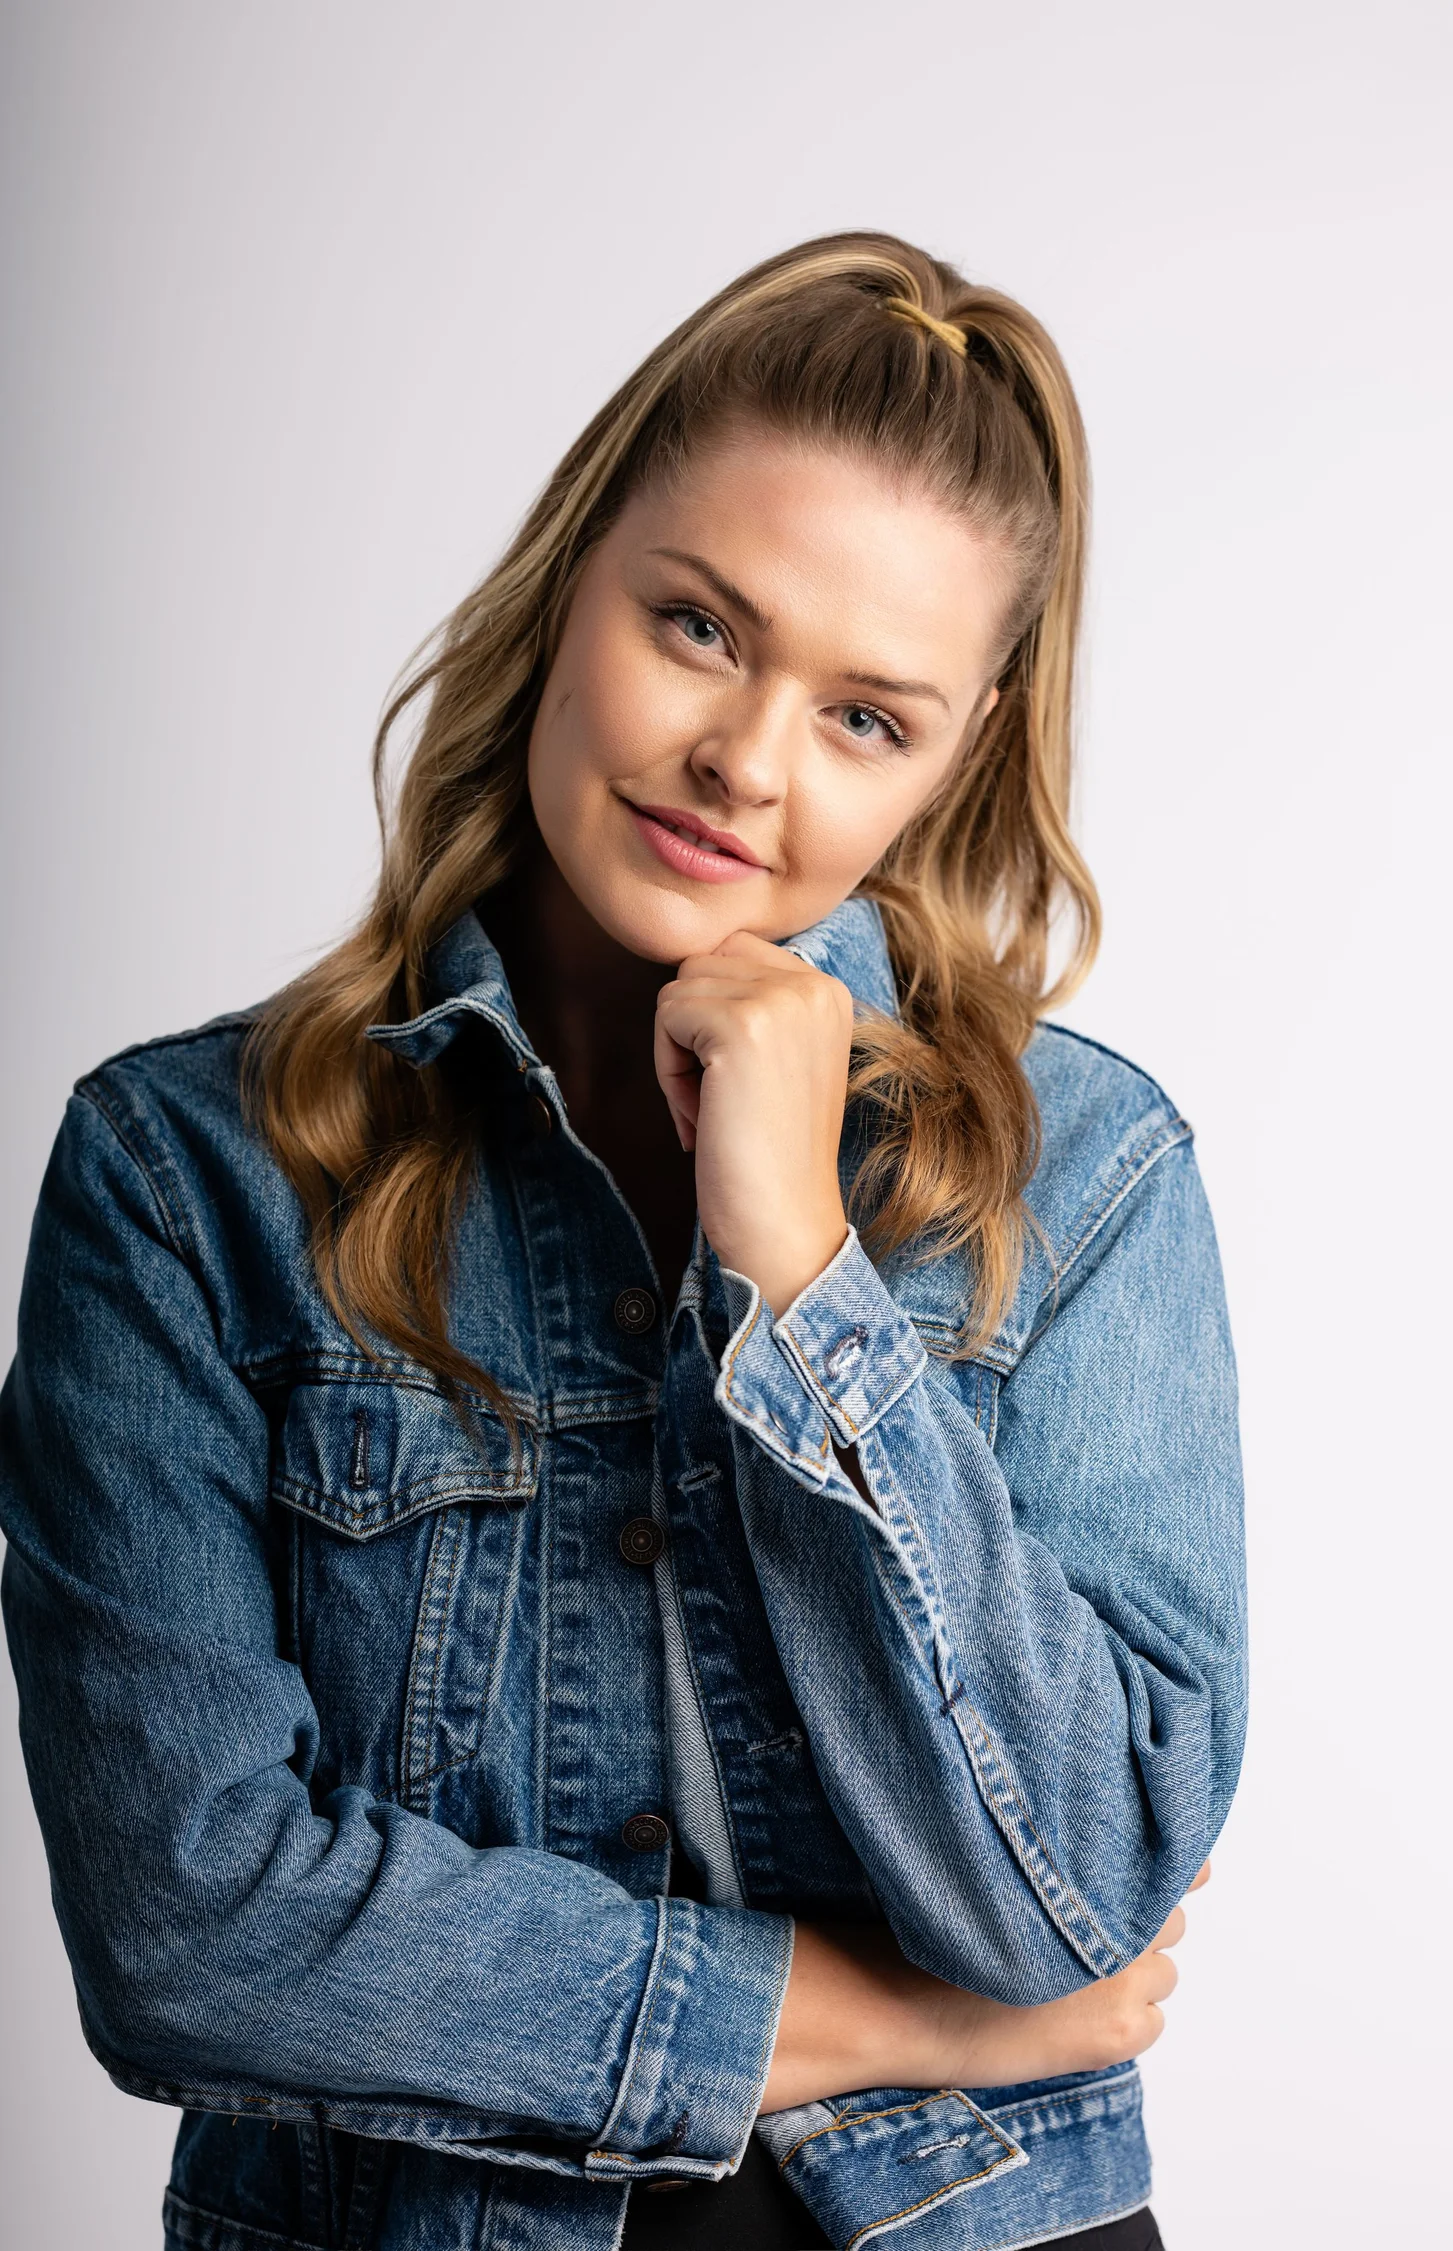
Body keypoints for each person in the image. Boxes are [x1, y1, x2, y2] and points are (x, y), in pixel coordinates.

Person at [0, 233, 1246, 2251]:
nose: (746, 760)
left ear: (962, 752)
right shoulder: (186, 1176)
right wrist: (889, 2023)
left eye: (868, 718)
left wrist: (803, 1276)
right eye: (699, 625)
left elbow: (1077, 1892)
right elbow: (188, 1927)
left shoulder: (1085, 1176)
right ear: (573, 573)